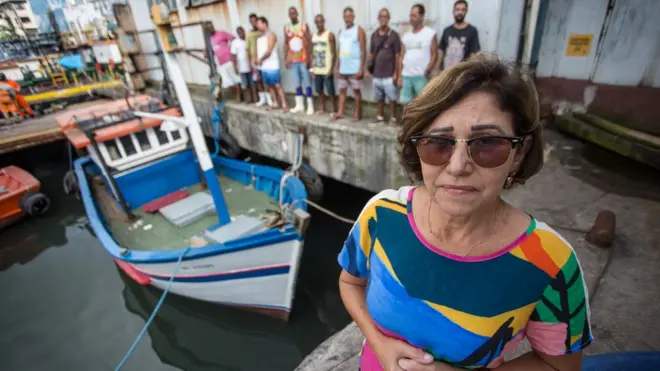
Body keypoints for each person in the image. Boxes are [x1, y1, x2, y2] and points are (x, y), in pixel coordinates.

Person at [338, 54, 593, 371]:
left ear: (519, 153)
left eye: (487, 142)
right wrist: (381, 346)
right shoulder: (382, 215)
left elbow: (561, 365)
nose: (458, 166)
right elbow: (350, 283)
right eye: (438, 143)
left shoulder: (551, 262)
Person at [398, 4, 437, 109]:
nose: (411, 18)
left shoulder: (430, 33)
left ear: (422, 16)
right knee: (406, 102)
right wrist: (399, 75)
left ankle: (421, 125)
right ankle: (405, 124)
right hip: (406, 75)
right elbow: (401, 56)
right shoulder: (406, 36)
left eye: (414, 15)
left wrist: (427, 70)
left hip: (421, 75)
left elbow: (434, 54)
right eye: (410, 15)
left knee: (422, 103)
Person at [332, 7, 366, 122]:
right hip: (343, 68)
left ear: (353, 17)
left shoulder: (359, 30)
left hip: (354, 68)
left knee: (356, 92)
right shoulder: (341, 31)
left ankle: (357, 114)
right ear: (343, 18)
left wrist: (361, 68)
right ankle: (340, 112)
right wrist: (336, 66)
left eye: (350, 16)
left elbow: (363, 50)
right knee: (342, 90)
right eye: (346, 17)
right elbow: (339, 50)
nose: (348, 19)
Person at [367, 8, 400, 125]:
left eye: (385, 16)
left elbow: (397, 55)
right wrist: (367, 68)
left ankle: (393, 118)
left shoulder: (394, 35)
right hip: (376, 72)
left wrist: (397, 73)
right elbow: (371, 53)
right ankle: (380, 117)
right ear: (378, 18)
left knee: (391, 98)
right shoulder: (374, 35)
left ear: (389, 18)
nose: (383, 19)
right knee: (379, 97)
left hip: (389, 73)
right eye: (381, 16)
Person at [255, 17, 289, 112]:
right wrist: (258, 60)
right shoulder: (260, 38)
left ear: (265, 23)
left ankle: (284, 104)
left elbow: (269, 50)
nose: (257, 25)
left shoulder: (271, 35)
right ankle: (275, 102)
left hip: (272, 64)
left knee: (277, 85)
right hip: (264, 66)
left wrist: (260, 59)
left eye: (259, 23)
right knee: (269, 85)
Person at [284, 7, 314, 115]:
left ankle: (310, 106)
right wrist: (286, 58)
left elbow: (310, 41)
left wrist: (310, 59)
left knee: (307, 83)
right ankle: (300, 105)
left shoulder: (304, 26)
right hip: (293, 60)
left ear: (297, 14)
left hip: (303, 59)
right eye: (290, 13)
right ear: (289, 15)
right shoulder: (286, 27)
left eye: (294, 13)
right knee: (296, 83)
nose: (292, 15)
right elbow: (286, 43)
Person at [438, 0, 481, 71]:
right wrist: (437, 68)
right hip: (446, 72)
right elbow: (441, 51)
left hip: (461, 73)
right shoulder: (447, 30)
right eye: (457, 9)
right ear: (453, 11)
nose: (460, 12)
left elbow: (474, 54)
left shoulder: (472, 30)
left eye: (463, 10)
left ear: (466, 12)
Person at [311, 14, 337, 115]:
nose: (319, 24)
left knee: (331, 91)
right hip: (317, 69)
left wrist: (331, 68)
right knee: (319, 91)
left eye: (321, 21)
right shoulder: (314, 36)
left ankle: (334, 110)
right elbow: (311, 53)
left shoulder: (330, 35)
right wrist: (312, 68)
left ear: (324, 21)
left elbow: (334, 52)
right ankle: (322, 108)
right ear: (315, 23)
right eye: (317, 22)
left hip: (327, 68)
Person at [207, 23, 241, 93]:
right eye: (209, 28)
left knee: (235, 78)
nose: (211, 29)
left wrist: (232, 49)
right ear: (207, 30)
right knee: (227, 81)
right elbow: (211, 51)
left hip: (229, 60)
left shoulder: (221, 33)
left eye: (212, 27)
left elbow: (233, 38)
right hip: (221, 63)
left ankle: (239, 96)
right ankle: (237, 94)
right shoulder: (209, 39)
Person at [246, 13, 267, 106]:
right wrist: (249, 62)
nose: (254, 23)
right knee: (258, 81)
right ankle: (262, 99)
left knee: (266, 80)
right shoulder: (249, 34)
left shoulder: (262, 32)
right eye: (252, 21)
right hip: (254, 61)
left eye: (255, 21)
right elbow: (247, 49)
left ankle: (269, 97)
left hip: (264, 60)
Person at [230, 26, 254, 103]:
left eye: (242, 31)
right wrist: (235, 67)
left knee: (252, 83)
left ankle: (253, 98)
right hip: (241, 67)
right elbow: (233, 55)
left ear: (244, 31)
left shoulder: (248, 39)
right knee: (244, 84)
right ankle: (248, 98)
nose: (241, 33)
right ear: (237, 33)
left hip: (250, 66)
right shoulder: (235, 42)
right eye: (239, 32)